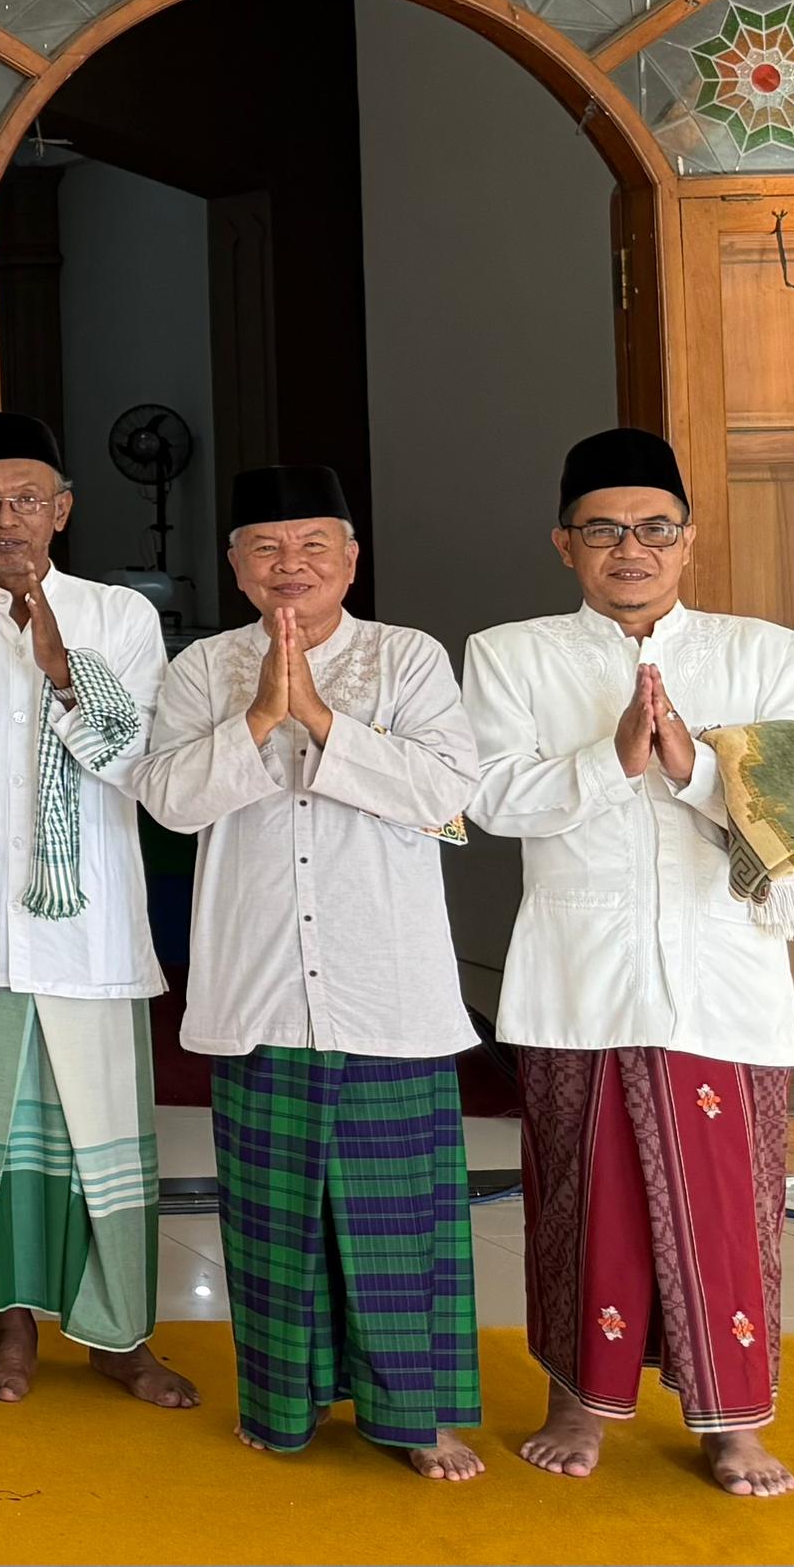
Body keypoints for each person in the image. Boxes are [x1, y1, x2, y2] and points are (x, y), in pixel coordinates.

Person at [468, 426, 794, 1501]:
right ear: (562, 545)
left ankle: (733, 1425)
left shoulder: (760, 651)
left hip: (721, 968)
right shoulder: (509, 654)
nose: (627, 549)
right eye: (601, 530)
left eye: (651, 529)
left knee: (726, 1207)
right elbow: (487, 796)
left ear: (686, 541)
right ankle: (575, 1404)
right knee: (579, 1200)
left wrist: (690, 770)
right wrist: (610, 759)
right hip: (576, 970)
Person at [138, 464, 486, 1477]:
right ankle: (281, 1406)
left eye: (310, 549)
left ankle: (412, 1419)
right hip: (258, 980)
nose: (288, 568)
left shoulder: (405, 658)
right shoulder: (203, 667)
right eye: (264, 550)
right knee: (272, 1217)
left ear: (348, 561)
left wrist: (322, 720)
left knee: (396, 1220)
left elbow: (441, 788)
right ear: (236, 567)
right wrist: (257, 716)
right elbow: (166, 799)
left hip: (385, 983)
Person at [0, 410, 191, 1412]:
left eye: (24, 500)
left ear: (61, 510)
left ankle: (120, 1338)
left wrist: (56, 657)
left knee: (98, 1133)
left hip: (85, 926)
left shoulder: (119, 618)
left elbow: (132, 764)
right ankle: (7, 1330)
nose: (4, 519)